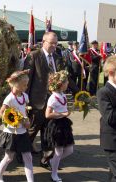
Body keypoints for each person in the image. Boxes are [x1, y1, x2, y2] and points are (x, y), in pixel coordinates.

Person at [23, 32, 78, 169]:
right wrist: (24, 101)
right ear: (43, 41)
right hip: (37, 103)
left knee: (49, 134)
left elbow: (65, 78)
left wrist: (79, 91)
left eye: (55, 43)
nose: (54, 46)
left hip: (54, 105)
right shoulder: (34, 56)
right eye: (51, 43)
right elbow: (26, 81)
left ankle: (46, 159)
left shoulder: (58, 57)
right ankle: (22, 153)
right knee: (31, 131)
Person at [0, 70, 34, 182]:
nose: (26, 87)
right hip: (11, 133)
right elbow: (1, 113)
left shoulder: (25, 96)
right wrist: (14, 120)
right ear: (16, 84)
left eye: (27, 84)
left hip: (22, 132)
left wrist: (27, 121)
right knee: (9, 157)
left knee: (28, 158)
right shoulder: (9, 98)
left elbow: (25, 111)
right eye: (24, 85)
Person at [44, 70, 74, 182]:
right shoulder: (53, 98)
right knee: (59, 151)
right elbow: (47, 115)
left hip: (64, 124)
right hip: (56, 126)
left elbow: (64, 109)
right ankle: (54, 174)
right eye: (66, 82)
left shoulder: (63, 95)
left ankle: (53, 162)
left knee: (69, 150)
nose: (68, 84)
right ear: (61, 84)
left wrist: (67, 112)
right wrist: (62, 114)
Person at [97, 56, 116, 182]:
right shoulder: (103, 92)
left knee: (114, 173)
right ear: (111, 73)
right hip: (112, 141)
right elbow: (110, 117)